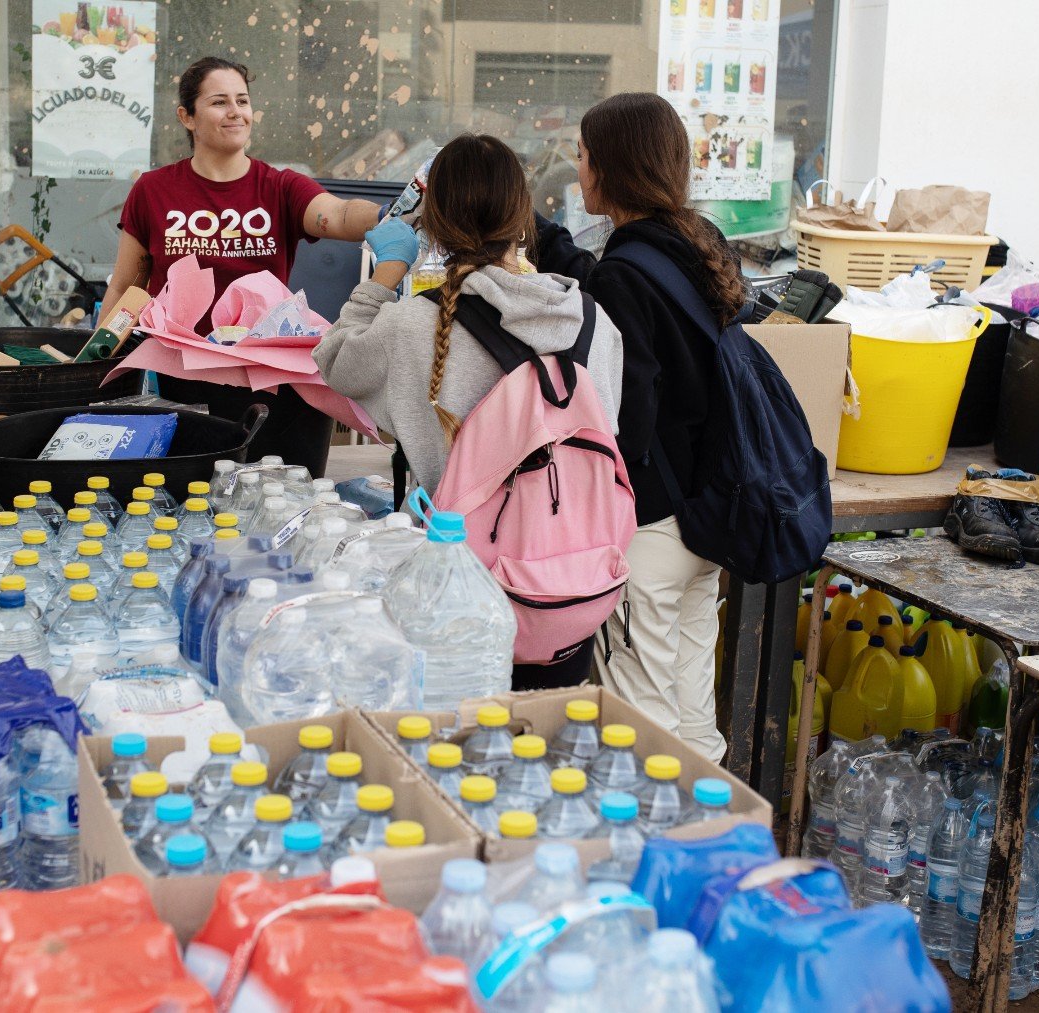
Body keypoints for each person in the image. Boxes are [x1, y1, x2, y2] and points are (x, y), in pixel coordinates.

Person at [315, 134, 624, 689]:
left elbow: (335, 359)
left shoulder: (415, 325)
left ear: (433, 223)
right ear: (522, 217)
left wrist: (386, 271)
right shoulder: (591, 320)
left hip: (458, 599)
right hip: (574, 592)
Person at [530, 93, 749, 761]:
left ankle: (654, 855)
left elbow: (628, 409)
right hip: (705, 522)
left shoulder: (628, 270)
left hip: (649, 527)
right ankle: (710, 845)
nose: (579, 166)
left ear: (611, 169)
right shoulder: (698, 246)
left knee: (639, 725)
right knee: (692, 715)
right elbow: (610, 283)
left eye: (585, 155)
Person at [104, 56, 385, 476]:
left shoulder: (280, 186)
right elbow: (127, 285)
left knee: (265, 493)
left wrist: (394, 217)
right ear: (187, 116)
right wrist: (97, 360)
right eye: (219, 102)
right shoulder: (153, 190)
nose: (236, 111)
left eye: (243, 100)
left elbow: (340, 216)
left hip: (267, 380)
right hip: (184, 380)